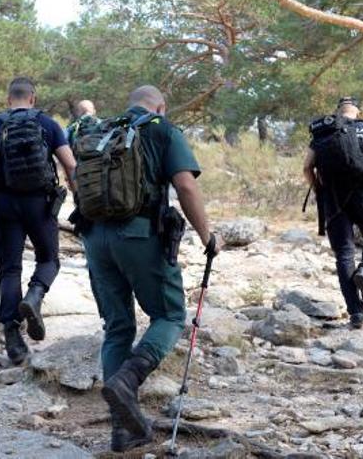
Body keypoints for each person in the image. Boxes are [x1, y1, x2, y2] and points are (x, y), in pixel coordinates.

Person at [78, 85, 222, 452]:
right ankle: (129, 378)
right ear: (160, 105)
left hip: (95, 237)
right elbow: (185, 186)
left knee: (117, 325)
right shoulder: (162, 129)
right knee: (171, 315)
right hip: (139, 236)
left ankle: (123, 430)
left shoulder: (100, 130)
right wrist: (207, 236)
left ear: (130, 102)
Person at [0, 77, 76, 365]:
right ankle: (35, 295)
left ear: (8, 100)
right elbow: (71, 165)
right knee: (49, 259)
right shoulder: (48, 124)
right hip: (40, 204)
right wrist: (81, 200)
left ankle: (13, 338)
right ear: (33, 98)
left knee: (9, 268)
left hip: (4, 205)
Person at [303, 97, 363, 329]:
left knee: (344, 254)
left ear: (338, 112)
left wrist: (319, 189)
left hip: (332, 198)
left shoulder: (323, 133)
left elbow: (307, 167)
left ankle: (356, 314)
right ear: (357, 111)